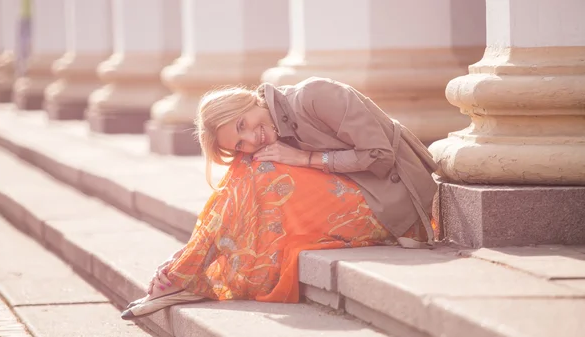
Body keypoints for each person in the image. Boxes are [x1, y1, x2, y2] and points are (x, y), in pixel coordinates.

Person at [121, 77, 439, 320]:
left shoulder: (315, 95)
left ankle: (185, 272)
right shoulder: (270, 135)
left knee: (264, 170)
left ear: (248, 102)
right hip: (356, 192)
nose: (251, 138)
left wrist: (307, 159)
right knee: (250, 166)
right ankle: (189, 266)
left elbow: (379, 156)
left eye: (242, 124)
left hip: (394, 197)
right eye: (239, 141)